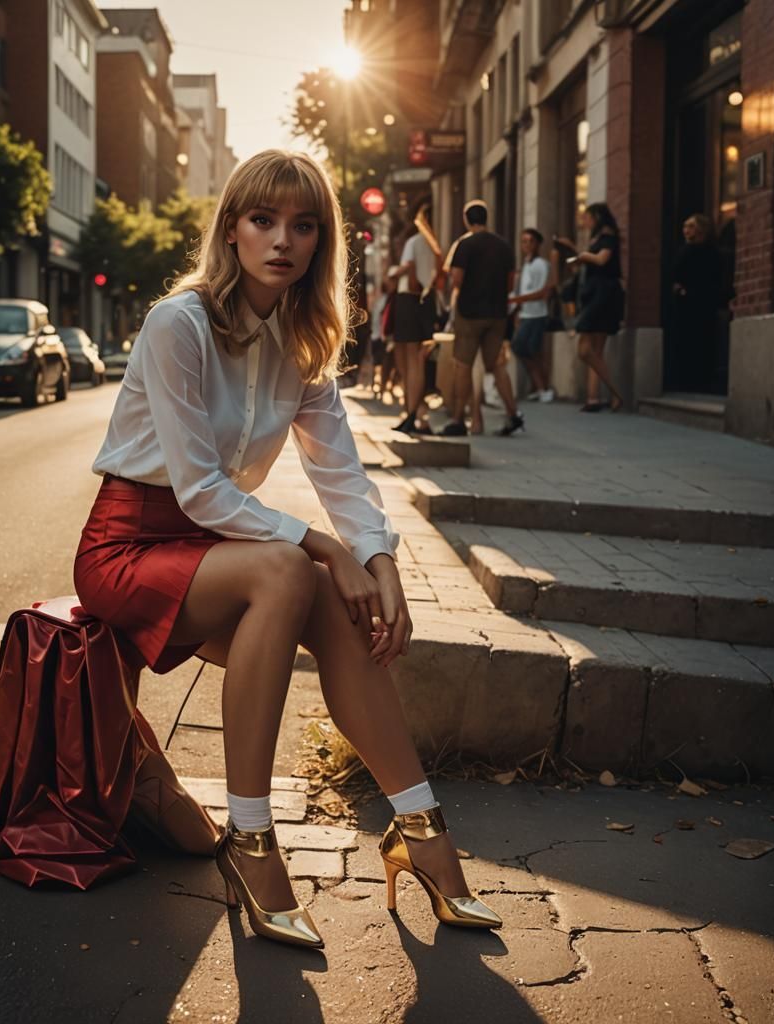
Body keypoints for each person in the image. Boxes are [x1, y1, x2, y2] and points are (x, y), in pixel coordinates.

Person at [73, 150, 502, 950]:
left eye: (303, 225)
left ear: (321, 242)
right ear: (231, 230)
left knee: (337, 611)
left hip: (213, 551)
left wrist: (379, 564)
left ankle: (422, 826)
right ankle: (251, 837)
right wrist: (321, 547)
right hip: (128, 548)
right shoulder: (181, 323)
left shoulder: (302, 343)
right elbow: (199, 490)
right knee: (290, 567)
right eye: (263, 220)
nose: (283, 240)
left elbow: (342, 471)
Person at [438, 199, 524, 437]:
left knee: (463, 365)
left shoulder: (464, 245)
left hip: (469, 312)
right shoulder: (504, 246)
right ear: (486, 218)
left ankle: (457, 420)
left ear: (466, 219)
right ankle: (513, 414)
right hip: (497, 313)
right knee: (497, 364)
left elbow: (457, 279)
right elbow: (510, 283)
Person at [556, 202, 625, 412]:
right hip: (595, 294)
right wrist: (575, 251)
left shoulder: (608, 236)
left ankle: (616, 393)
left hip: (603, 296)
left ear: (597, 217)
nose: (584, 221)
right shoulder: (598, 238)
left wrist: (583, 256)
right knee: (594, 351)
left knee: (586, 350)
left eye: (587, 217)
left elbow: (602, 260)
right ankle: (594, 398)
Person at [390, 204, 439, 435]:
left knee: (411, 361)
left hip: (410, 300)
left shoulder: (414, 242)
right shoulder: (435, 245)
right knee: (418, 359)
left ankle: (411, 414)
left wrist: (394, 273)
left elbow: (409, 268)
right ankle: (417, 414)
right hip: (427, 301)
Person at [671, 213, 721, 392]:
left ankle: (701, 381)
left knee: (703, 341)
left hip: (702, 304)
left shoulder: (711, 252)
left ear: (702, 229)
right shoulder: (684, 250)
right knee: (685, 341)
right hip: (685, 305)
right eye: (685, 226)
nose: (686, 230)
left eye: (691, 226)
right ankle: (686, 380)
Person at [510, 228, 554, 402]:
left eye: (530, 241)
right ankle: (537, 386)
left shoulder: (541, 264)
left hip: (537, 315)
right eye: (524, 241)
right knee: (523, 349)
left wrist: (517, 300)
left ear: (537, 244)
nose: (527, 245)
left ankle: (543, 388)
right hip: (525, 314)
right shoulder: (526, 265)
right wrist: (518, 309)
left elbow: (543, 292)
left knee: (530, 351)